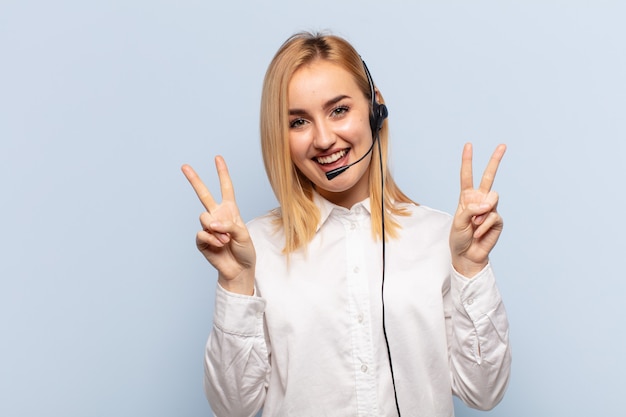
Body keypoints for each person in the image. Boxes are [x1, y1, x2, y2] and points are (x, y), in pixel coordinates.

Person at [182, 31, 511, 417]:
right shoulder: (252, 249)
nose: (323, 139)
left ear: (375, 111)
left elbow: (484, 392)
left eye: (339, 110)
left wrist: (471, 270)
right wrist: (236, 286)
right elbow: (233, 408)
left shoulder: (442, 239)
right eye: (299, 121)